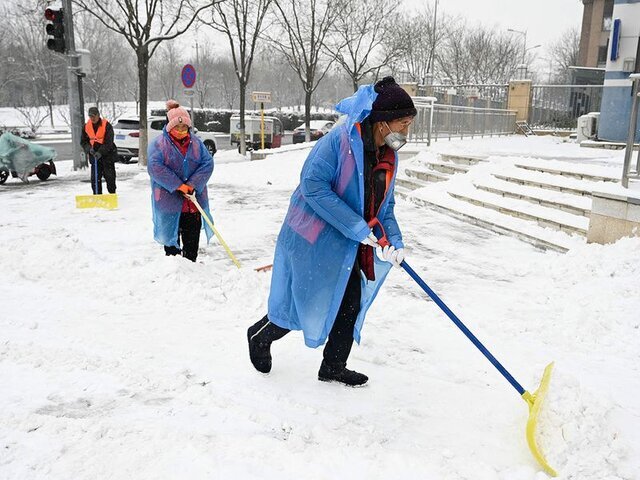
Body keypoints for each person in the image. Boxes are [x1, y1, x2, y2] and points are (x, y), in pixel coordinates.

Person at [247, 77, 417, 386]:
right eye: (402, 124)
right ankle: (260, 336)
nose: (405, 132)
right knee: (305, 301)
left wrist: (395, 242)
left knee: (349, 300)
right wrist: (356, 227)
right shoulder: (339, 142)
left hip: (350, 242)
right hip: (313, 238)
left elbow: (386, 207)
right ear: (382, 123)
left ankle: (334, 366)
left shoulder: (388, 157)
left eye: (408, 125)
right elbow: (312, 186)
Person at [147, 100, 214, 262]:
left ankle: (191, 270)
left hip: (192, 203)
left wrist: (191, 185)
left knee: (191, 245)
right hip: (169, 202)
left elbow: (207, 164)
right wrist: (178, 185)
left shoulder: (196, 144)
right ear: (170, 127)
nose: (181, 130)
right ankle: (174, 273)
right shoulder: (159, 145)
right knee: (172, 246)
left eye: (184, 127)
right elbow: (155, 167)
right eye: (178, 127)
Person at [80, 106, 117, 194]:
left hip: (107, 156)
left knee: (110, 177)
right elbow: (83, 142)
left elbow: (109, 142)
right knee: (95, 179)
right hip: (94, 156)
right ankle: (97, 196)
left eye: (94, 116)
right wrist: (89, 149)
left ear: (98, 115)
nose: (92, 118)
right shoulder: (86, 127)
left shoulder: (107, 125)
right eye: (90, 116)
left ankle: (112, 195)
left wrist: (100, 152)